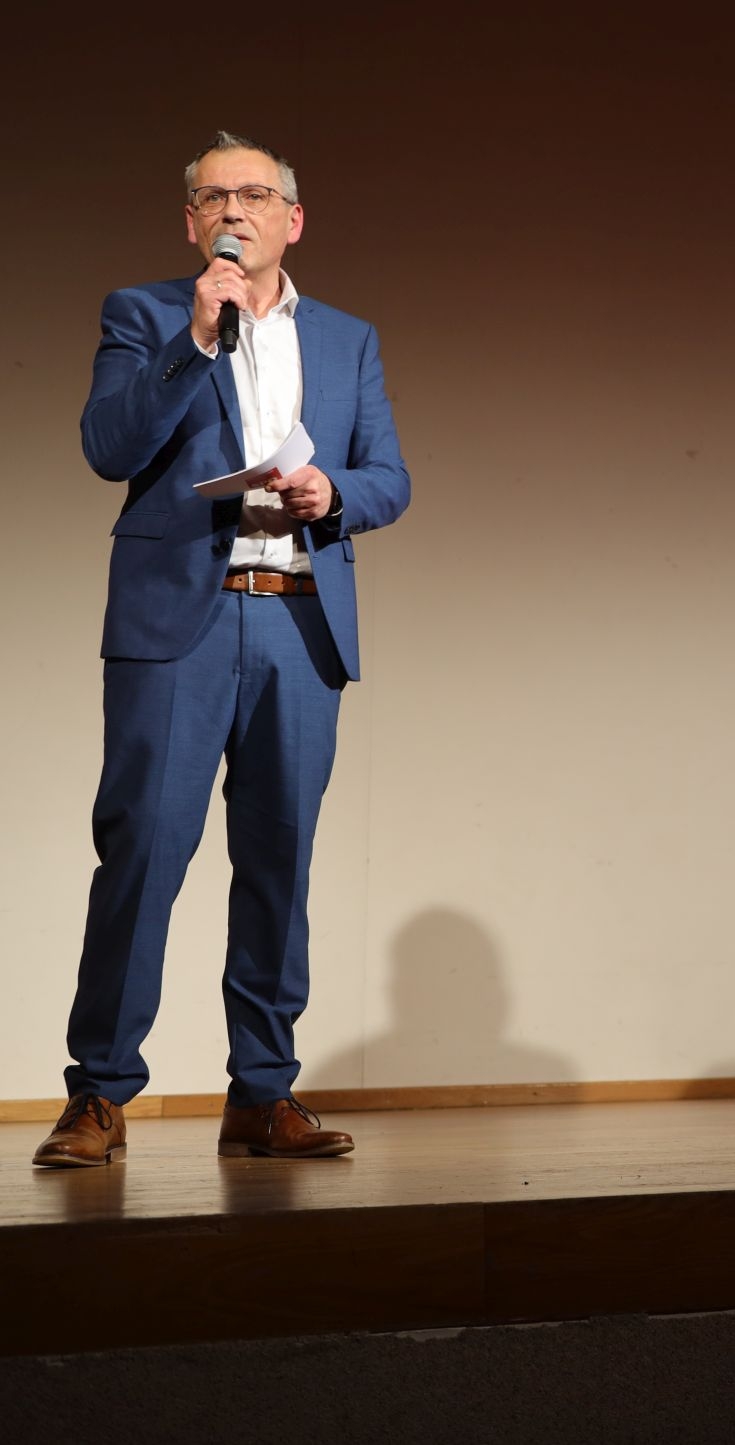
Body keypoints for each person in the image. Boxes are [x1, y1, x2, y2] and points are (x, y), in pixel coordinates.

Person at [32, 132, 410, 1167]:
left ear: (294, 218)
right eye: (212, 198)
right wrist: (196, 338)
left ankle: (264, 1092)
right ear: (191, 222)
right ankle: (99, 1091)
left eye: (253, 194)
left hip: (299, 619)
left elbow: (390, 475)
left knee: (279, 859)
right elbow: (108, 445)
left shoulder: (347, 339)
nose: (233, 210)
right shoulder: (145, 314)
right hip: (177, 626)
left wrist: (333, 491)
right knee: (144, 848)